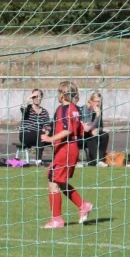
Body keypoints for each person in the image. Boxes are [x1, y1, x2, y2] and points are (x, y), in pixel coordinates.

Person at [40, 81, 93, 229]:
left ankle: (57, 220)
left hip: (66, 149)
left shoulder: (65, 109)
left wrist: (50, 138)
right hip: (71, 148)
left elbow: (68, 130)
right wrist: (48, 129)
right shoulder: (74, 109)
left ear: (62, 94)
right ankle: (83, 205)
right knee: (59, 181)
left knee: (52, 180)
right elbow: (79, 129)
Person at [19, 89, 51, 163]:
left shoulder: (44, 112)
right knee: (40, 134)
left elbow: (47, 125)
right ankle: (38, 160)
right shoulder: (28, 109)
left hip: (39, 136)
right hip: (26, 134)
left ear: (41, 98)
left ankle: (59, 160)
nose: (36, 98)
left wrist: (47, 133)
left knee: (54, 137)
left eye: (38, 96)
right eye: (34, 96)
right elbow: (22, 109)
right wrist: (28, 97)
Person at [79, 92, 109, 167]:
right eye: (96, 101)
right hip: (82, 134)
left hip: (92, 132)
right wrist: (97, 116)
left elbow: (101, 126)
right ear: (91, 101)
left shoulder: (97, 110)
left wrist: (98, 130)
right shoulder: (86, 109)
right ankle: (96, 160)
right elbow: (87, 128)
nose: (98, 103)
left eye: (99, 101)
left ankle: (101, 160)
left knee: (105, 135)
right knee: (91, 135)